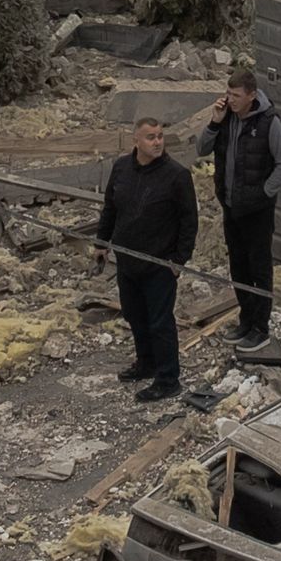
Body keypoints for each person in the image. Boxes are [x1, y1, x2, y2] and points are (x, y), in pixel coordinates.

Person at [95, 115, 197, 402]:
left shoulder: (176, 175)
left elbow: (190, 221)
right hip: (127, 261)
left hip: (160, 265)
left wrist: (179, 260)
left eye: (160, 136)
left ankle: (168, 378)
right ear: (136, 141)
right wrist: (102, 243)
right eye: (151, 137)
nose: (157, 142)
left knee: (160, 322)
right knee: (135, 315)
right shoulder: (121, 169)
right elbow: (110, 209)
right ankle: (146, 363)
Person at [201, 66, 281, 361]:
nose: (230, 100)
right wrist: (214, 123)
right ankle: (246, 320)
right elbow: (201, 148)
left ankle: (260, 327)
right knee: (238, 268)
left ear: (252, 96)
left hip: (257, 210)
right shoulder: (225, 118)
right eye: (228, 94)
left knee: (259, 268)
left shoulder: (268, 123)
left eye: (236, 96)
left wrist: (263, 193)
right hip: (231, 206)